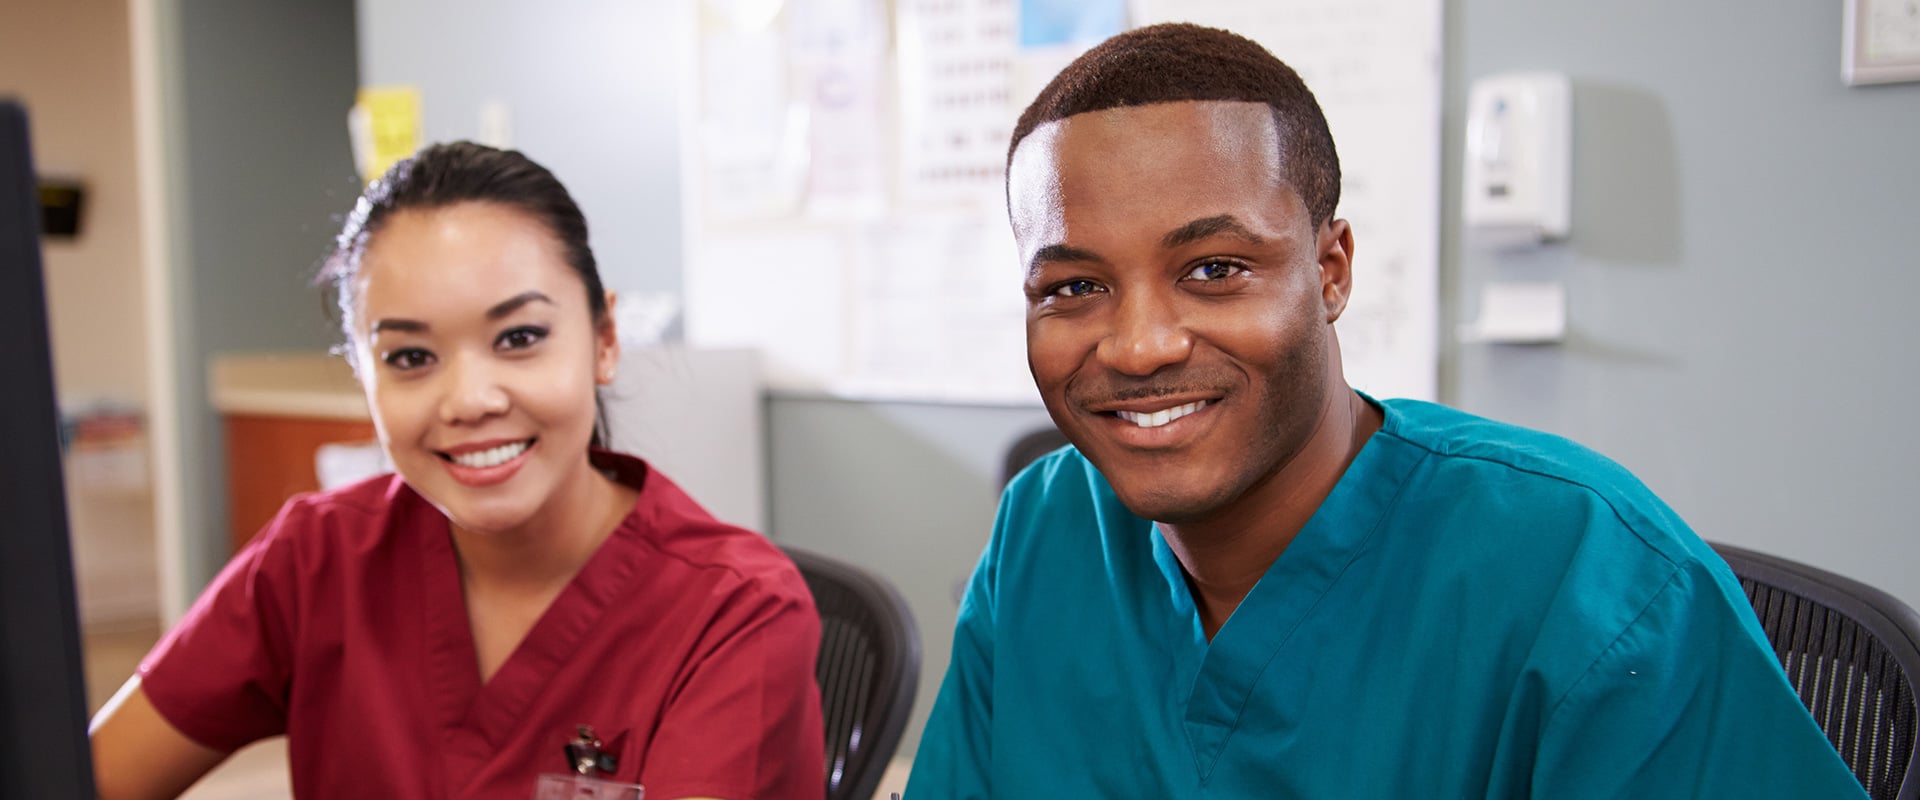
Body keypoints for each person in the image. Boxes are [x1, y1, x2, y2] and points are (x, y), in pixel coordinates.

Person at [906, 23, 1869, 798]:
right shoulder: (1044, 530)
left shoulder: (1587, 574)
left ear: (1330, 271)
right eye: (1072, 288)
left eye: (1215, 269)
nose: (1141, 344)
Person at [89, 143, 826, 799]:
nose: (470, 400)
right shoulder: (316, 559)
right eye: (410, 358)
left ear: (604, 338)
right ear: (363, 379)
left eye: (520, 337)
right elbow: (93, 773)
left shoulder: (735, 613)